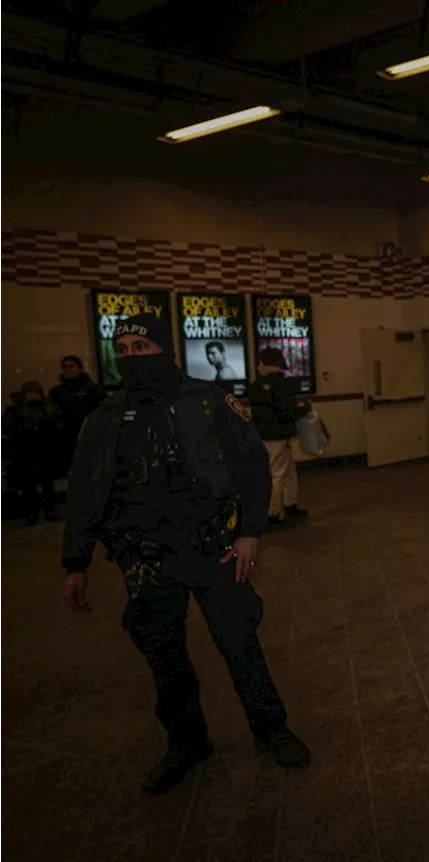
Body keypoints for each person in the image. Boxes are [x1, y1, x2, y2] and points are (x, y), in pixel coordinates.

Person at [61, 314, 310, 794]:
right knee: (164, 656)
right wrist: (75, 560)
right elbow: (85, 491)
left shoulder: (210, 402)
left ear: (166, 349)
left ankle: (271, 728)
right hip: (145, 558)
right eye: (125, 349)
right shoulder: (107, 416)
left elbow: (252, 465)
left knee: (239, 644)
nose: (133, 356)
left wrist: (250, 533)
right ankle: (186, 741)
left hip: (213, 548)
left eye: (142, 346)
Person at [245, 347, 308, 527]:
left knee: (284, 471)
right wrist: (305, 409)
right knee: (280, 474)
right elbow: (287, 411)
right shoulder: (284, 384)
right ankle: (274, 514)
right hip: (280, 434)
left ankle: (289, 504)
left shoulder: (256, 385)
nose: (258, 366)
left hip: (264, 435)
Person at [2, 381, 62, 525]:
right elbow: (9, 427)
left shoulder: (49, 407)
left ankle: (47, 511)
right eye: (29, 392)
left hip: (44, 450)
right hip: (26, 452)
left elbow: (58, 424)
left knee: (47, 484)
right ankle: (33, 513)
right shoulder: (16, 410)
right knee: (29, 487)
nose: (32, 395)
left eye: (35, 392)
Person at [49, 355, 105, 477]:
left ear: (80, 368)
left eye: (71, 366)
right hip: (66, 437)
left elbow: (102, 410)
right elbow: (53, 413)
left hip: (90, 433)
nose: (68, 370)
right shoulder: (57, 392)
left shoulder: (93, 389)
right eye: (65, 367)